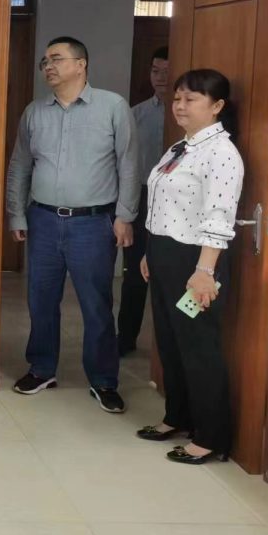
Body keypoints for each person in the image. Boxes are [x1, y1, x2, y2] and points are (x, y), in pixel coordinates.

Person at [6, 36, 139, 414]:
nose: (48, 66)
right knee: (41, 299)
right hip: (43, 219)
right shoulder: (34, 112)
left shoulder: (112, 107)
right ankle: (41, 368)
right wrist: (16, 213)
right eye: (44, 61)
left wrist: (125, 216)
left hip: (93, 223)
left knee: (96, 303)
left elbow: (129, 164)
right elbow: (20, 166)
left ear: (81, 65)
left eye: (57, 59)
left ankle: (103, 379)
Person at [137, 69, 243, 465]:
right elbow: (164, 205)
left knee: (199, 348)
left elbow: (218, 217)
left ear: (217, 106)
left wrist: (205, 272)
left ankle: (211, 436)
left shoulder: (221, 154)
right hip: (165, 253)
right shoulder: (181, 147)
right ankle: (177, 416)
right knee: (170, 342)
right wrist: (150, 253)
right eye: (178, 98)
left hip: (195, 261)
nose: (180, 106)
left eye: (191, 99)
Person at [117, 46, 169, 355]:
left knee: (171, 274)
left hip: (178, 203)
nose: (160, 77)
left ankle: (168, 347)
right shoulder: (136, 114)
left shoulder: (190, 115)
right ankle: (125, 338)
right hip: (143, 196)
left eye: (167, 71)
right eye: (155, 71)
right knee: (135, 274)